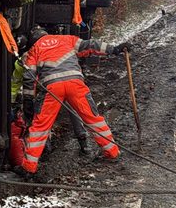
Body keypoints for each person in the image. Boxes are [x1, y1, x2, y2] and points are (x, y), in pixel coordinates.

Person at [19, 27, 126, 174]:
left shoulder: (34, 50)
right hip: (75, 84)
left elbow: (29, 77)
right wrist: (114, 49)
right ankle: (112, 152)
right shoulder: (66, 39)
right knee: (93, 118)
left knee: (40, 126)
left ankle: (28, 167)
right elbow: (90, 45)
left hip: (52, 89)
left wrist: (28, 100)